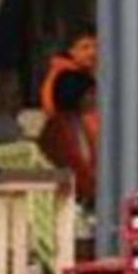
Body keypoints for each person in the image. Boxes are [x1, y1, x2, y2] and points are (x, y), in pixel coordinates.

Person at [38, 71, 98, 206]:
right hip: (63, 199)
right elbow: (73, 165)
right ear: (75, 95)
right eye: (90, 93)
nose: (95, 98)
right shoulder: (58, 127)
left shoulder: (77, 122)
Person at [39, 25, 97, 120]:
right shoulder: (69, 79)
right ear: (72, 51)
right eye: (85, 47)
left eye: (96, 46)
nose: (92, 52)